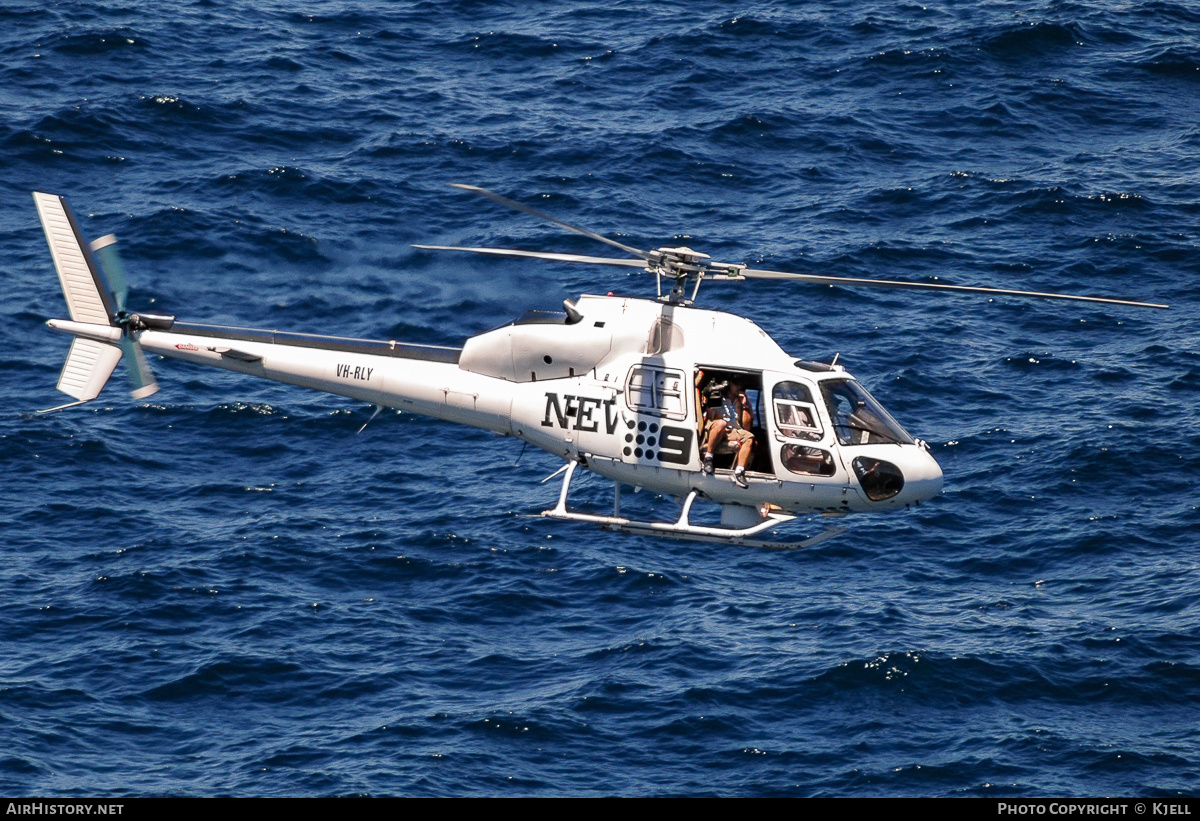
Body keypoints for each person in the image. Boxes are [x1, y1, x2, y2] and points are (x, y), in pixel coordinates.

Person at [701, 378, 756, 488]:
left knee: (749, 437)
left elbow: (746, 427)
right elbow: (711, 416)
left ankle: (739, 472)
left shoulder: (740, 401)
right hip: (716, 427)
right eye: (736, 384)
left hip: (733, 430)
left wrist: (744, 406)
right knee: (721, 423)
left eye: (741, 385)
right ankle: (708, 457)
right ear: (729, 385)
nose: (739, 387)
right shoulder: (717, 396)